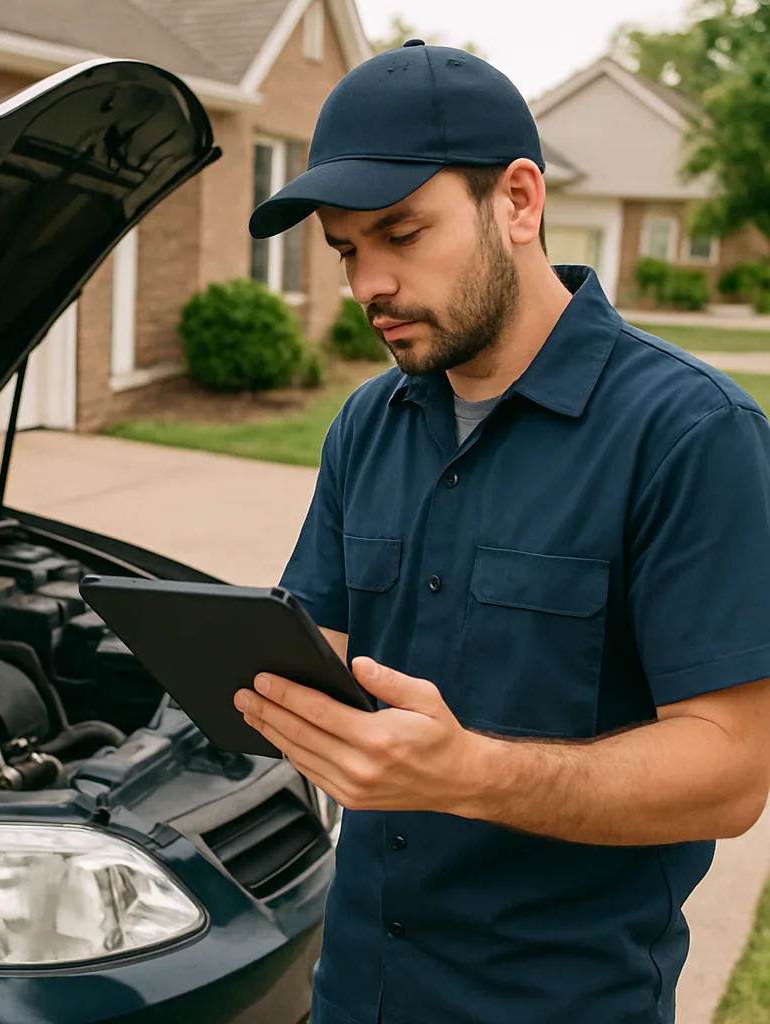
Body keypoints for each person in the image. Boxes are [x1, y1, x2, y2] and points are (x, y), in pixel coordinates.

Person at [234, 41, 770, 1024]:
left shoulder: (690, 434)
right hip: (355, 990)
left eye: (402, 233)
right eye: (349, 249)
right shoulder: (367, 422)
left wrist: (468, 773)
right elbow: (323, 653)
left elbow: (732, 770)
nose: (369, 286)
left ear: (517, 202)